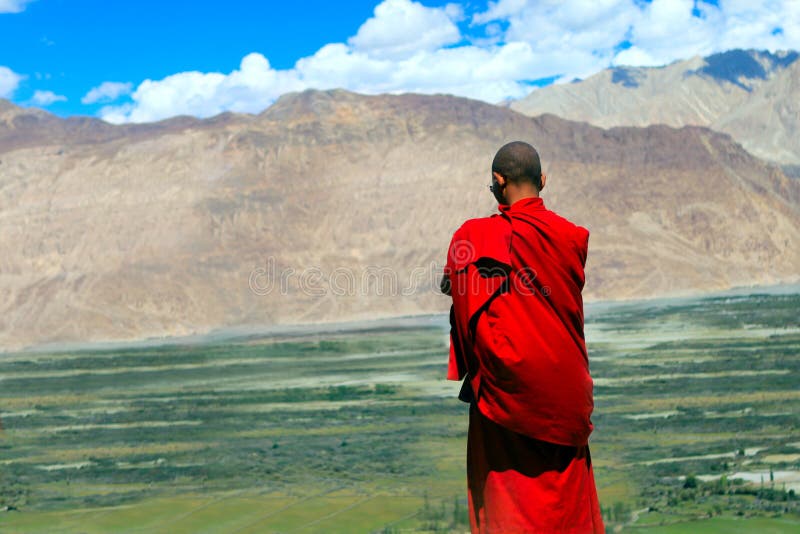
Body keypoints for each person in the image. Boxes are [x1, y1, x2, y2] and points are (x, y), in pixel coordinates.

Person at [441, 141, 604, 533]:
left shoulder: (472, 237)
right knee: (567, 507)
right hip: (564, 397)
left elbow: (460, 297)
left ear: (498, 182)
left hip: (502, 398)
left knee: (507, 505)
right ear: (542, 181)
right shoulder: (567, 238)